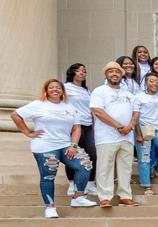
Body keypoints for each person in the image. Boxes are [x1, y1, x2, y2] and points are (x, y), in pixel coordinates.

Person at [13, 79, 98, 218]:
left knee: (85, 164)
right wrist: (28, 132)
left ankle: (78, 198)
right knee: (48, 175)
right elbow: (15, 115)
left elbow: (77, 128)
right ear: (46, 90)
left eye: (58, 87)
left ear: (62, 91)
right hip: (45, 146)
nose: (55, 89)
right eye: (51, 87)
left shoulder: (69, 107)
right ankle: (50, 206)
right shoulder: (38, 105)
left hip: (65, 145)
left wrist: (73, 145)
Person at [90, 62, 140, 207]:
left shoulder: (129, 95)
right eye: (111, 71)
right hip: (106, 137)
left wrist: (130, 126)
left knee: (126, 167)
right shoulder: (99, 91)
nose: (114, 74)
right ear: (106, 74)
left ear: (122, 74)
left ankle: (125, 196)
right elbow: (97, 111)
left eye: (117, 72)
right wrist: (118, 125)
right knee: (105, 167)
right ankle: (105, 197)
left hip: (127, 137)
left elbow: (136, 113)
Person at [63, 64, 98, 196]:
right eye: (78, 71)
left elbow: (90, 109)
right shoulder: (66, 87)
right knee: (72, 154)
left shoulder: (86, 91)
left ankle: (90, 183)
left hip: (88, 125)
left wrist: (94, 125)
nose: (82, 73)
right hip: (73, 125)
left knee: (92, 154)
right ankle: (72, 184)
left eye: (84, 71)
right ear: (72, 72)